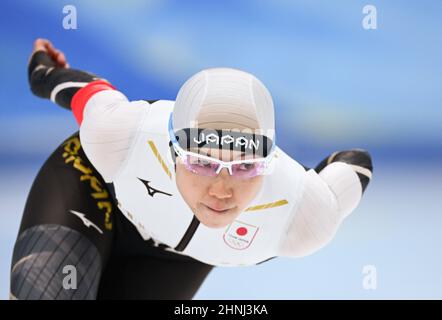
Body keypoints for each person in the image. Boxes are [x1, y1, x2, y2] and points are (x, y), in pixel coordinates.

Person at [10, 38, 373, 300]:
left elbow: (354, 163)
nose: (220, 189)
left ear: (268, 164)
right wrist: (43, 72)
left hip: (178, 258)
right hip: (92, 190)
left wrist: (314, 183)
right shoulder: (123, 133)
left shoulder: (302, 214)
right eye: (201, 162)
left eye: (245, 167)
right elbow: (85, 90)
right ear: (170, 149)